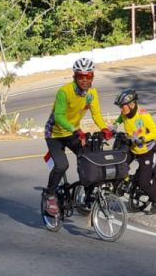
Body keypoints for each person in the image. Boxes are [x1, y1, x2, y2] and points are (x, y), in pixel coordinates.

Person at [42, 57, 112, 215]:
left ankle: (86, 193)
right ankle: (50, 195)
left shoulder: (92, 93)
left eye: (89, 77)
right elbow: (59, 116)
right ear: (75, 76)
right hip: (54, 134)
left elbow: (96, 114)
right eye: (81, 76)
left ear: (92, 77)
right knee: (62, 165)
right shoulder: (64, 92)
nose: (85, 80)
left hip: (73, 132)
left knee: (89, 159)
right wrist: (74, 129)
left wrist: (104, 128)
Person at [112, 87, 156, 214]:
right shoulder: (124, 114)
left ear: (131, 104)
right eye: (120, 106)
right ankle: (125, 182)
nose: (121, 109)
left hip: (146, 151)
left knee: (144, 183)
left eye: (123, 106)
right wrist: (115, 125)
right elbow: (120, 119)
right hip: (132, 147)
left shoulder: (143, 115)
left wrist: (143, 139)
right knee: (119, 165)